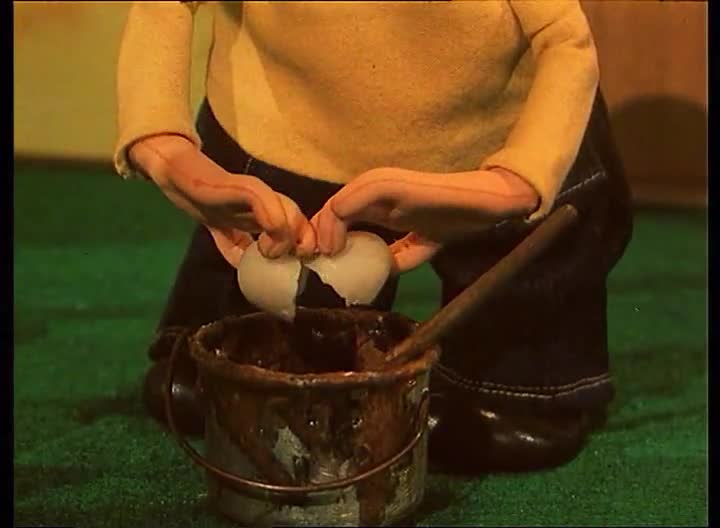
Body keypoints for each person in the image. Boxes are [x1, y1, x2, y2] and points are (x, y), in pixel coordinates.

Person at [115, 1, 633, 473]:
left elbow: (565, 40)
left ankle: (508, 387)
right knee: (270, 299)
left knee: (518, 306)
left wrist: (518, 180)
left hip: (489, 132)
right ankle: (243, 350)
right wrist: (160, 140)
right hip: (285, 120)